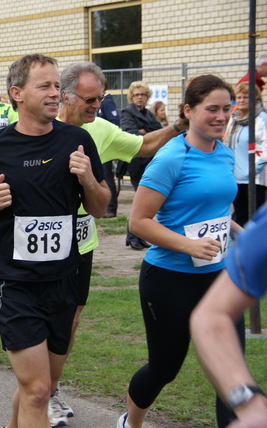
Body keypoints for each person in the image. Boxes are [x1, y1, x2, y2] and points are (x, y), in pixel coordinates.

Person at [0, 53, 110, 428]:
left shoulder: (77, 139)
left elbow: (100, 206)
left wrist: (88, 178)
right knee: (39, 389)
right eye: (45, 86)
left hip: (63, 281)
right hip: (16, 283)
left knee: (41, 386)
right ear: (17, 94)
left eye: (58, 85)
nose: (56, 93)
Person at [52, 60, 190, 427]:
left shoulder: (99, 128)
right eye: (90, 99)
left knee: (72, 318)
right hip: (43, 244)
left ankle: (50, 388)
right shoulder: (41, 127)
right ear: (66, 96)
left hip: (81, 243)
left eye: (101, 98)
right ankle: (39, 390)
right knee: (44, 320)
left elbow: (144, 145)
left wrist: (177, 126)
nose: (98, 106)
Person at [117, 75, 241, 428]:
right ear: (188, 110)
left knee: (231, 369)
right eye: (211, 109)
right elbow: (139, 221)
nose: (221, 116)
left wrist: (240, 233)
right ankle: (132, 422)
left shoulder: (225, 153)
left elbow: (218, 209)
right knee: (165, 367)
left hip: (219, 276)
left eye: (226, 108)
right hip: (170, 278)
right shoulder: (171, 157)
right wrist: (189, 245)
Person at [191, 202, 267, 428]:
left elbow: (223, 210)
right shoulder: (168, 165)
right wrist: (248, 401)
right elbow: (211, 317)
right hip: (175, 269)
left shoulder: (226, 164)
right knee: (164, 367)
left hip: (216, 261)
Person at [121, 81, 163, 250]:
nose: (140, 98)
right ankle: (133, 236)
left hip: (150, 160)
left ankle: (136, 236)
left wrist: (146, 131)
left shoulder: (148, 114)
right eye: (137, 95)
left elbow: (157, 130)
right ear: (131, 97)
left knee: (144, 200)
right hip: (137, 161)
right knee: (140, 199)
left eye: (143, 95)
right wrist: (145, 132)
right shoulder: (127, 112)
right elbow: (130, 133)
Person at [223, 82, 267, 227]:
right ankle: (240, 247)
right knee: (240, 217)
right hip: (235, 176)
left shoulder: (262, 119)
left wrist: (252, 169)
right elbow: (228, 143)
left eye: (246, 97)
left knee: (255, 219)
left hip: (254, 179)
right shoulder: (234, 119)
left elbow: (265, 148)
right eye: (239, 97)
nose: (241, 100)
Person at [97, 77, 121, 218]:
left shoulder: (106, 101)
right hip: (99, 145)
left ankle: (110, 208)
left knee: (107, 177)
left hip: (105, 145)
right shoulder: (100, 101)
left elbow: (114, 121)